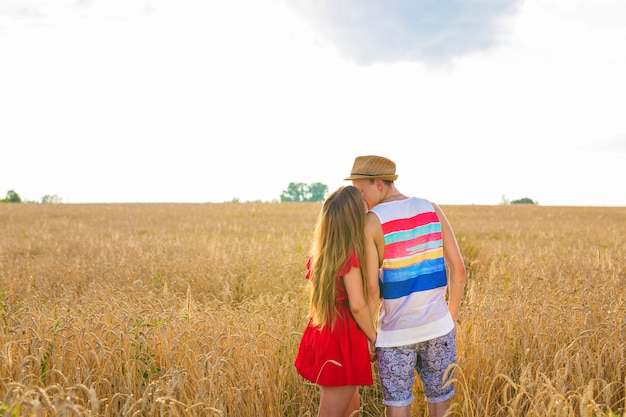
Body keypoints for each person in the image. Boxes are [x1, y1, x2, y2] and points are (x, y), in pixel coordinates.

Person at [345, 155, 466, 417]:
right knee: (442, 405)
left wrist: (370, 334)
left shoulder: (371, 221)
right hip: (439, 327)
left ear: (378, 184)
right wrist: (451, 318)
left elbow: (373, 291)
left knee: (398, 408)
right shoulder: (431, 208)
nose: (359, 199)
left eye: (360, 190)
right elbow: (458, 269)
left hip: (395, 334)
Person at [295, 185, 378, 417]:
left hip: (327, 333)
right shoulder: (348, 256)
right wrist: (374, 337)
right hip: (343, 341)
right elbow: (357, 305)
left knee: (351, 413)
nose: (365, 200)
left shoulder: (324, 254)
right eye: (360, 199)